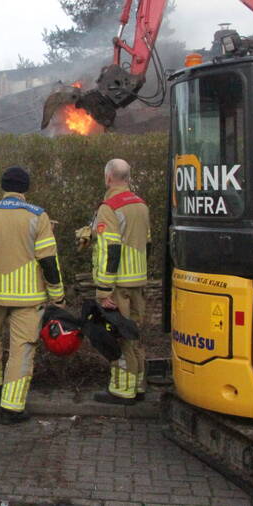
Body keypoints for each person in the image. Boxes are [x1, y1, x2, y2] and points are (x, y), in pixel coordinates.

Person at [0, 166, 64, 424]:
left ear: (3, 186)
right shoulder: (38, 216)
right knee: (22, 348)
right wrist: (58, 296)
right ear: (26, 188)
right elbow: (48, 261)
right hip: (28, 297)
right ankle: (12, 407)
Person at [90, 158, 150, 404]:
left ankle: (122, 391)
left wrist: (104, 289)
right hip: (139, 281)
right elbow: (147, 243)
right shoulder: (141, 204)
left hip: (119, 284)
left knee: (121, 336)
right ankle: (138, 386)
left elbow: (110, 250)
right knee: (136, 335)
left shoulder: (109, 207)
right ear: (127, 177)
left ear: (108, 178)